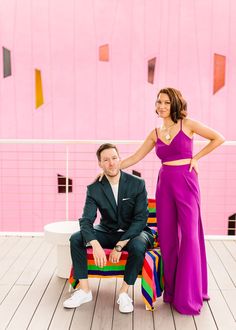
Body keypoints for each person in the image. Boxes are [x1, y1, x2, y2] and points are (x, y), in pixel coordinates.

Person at [117, 87, 225, 315]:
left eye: (166, 102)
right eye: (159, 102)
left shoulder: (188, 124)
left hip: (186, 183)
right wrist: (112, 167)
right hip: (164, 184)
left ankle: (190, 295)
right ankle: (173, 292)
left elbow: (219, 138)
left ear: (174, 104)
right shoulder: (155, 132)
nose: (162, 106)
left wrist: (196, 158)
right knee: (167, 239)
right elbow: (136, 156)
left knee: (189, 236)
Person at [63, 143, 154, 313]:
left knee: (137, 245)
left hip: (135, 233)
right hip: (108, 231)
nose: (111, 163)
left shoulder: (137, 184)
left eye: (114, 158)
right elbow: (86, 220)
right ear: (100, 164)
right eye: (105, 160)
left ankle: (124, 294)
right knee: (76, 238)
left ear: (119, 159)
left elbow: (141, 219)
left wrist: (120, 245)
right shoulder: (94, 188)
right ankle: (84, 290)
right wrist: (95, 244)